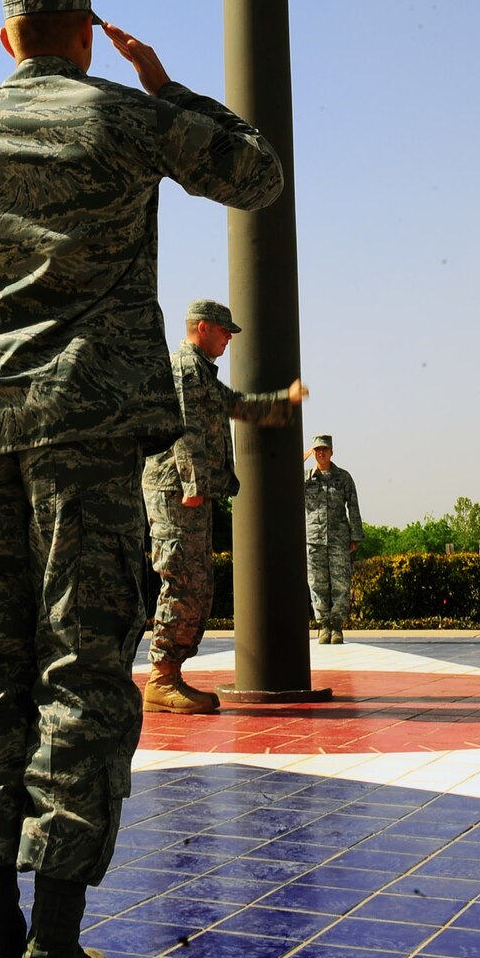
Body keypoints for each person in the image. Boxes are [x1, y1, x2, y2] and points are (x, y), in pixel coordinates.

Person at [0, 0, 283, 958]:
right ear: (85, 38)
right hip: (91, 443)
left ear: (8, 38)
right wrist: (169, 85)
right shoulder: (123, 116)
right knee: (79, 681)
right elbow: (256, 175)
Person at [142, 299, 306, 714]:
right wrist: (193, 484)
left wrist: (283, 401)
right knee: (181, 581)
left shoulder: (201, 372)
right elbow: (184, 428)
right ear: (202, 328)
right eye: (224, 331)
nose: (229, 339)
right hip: (177, 492)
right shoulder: (183, 368)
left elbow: (238, 405)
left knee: (197, 585)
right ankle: (161, 680)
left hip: (190, 494)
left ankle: (170, 673)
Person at [304, 435, 363, 643]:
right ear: (312, 452)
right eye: (317, 450)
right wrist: (302, 458)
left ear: (331, 452)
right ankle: (324, 625)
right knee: (317, 583)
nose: (321, 453)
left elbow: (353, 507)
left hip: (339, 539)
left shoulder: (343, 478)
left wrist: (355, 535)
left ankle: (337, 627)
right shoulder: (305, 477)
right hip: (314, 540)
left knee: (340, 583)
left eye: (325, 449)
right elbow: (282, 477)